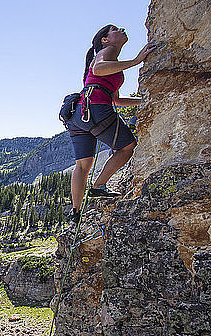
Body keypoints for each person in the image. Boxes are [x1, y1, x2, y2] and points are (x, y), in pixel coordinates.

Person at [65, 25, 155, 223]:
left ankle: (76, 211)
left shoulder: (110, 56)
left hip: (79, 114)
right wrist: (136, 61)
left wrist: (143, 100)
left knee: (82, 166)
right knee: (127, 147)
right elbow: (98, 68)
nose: (122, 29)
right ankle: (98, 186)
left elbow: (116, 100)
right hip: (96, 109)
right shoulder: (109, 51)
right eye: (115, 29)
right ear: (105, 39)